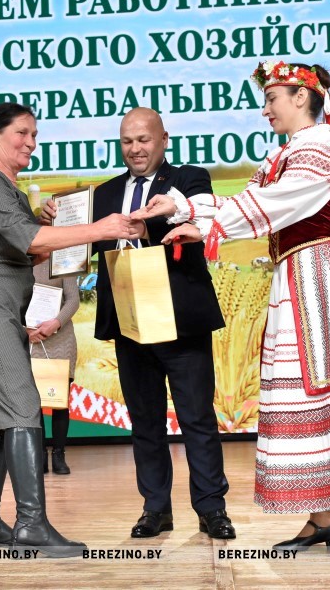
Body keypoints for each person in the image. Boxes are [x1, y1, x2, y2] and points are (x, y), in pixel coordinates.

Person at [133, 62, 330, 555]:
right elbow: (257, 198)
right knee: (306, 393)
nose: (265, 108)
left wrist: (204, 225)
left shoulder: (319, 146)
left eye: (272, 98)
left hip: (323, 276)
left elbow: (278, 204)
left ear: (301, 97)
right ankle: (324, 518)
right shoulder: (289, 152)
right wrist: (183, 208)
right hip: (298, 276)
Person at [0, 102, 141, 558]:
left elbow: (31, 251)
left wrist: (53, 225)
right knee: (22, 406)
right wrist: (99, 228)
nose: (31, 143)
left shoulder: (9, 190)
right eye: (22, 133)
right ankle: (31, 525)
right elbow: (32, 242)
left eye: (35, 135)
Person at [41, 108, 235, 540]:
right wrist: (53, 217)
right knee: (145, 422)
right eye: (127, 141)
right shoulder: (105, 193)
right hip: (129, 323)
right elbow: (76, 243)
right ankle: (155, 509)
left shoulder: (190, 181)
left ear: (164, 139)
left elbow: (195, 221)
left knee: (197, 419)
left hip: (181, 321)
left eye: (144, 139)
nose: (135, 149)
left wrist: (144, 225)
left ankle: (211, 509)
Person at [28, 259, 78, 475]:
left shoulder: (62, 261)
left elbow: (73, 300)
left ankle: (59, 454)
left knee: (59, 402)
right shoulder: (19, 261)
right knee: (34, 402)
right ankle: (39, 454)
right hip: (30, 338)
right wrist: (26, 330)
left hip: (61, 338)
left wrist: (55, 323)